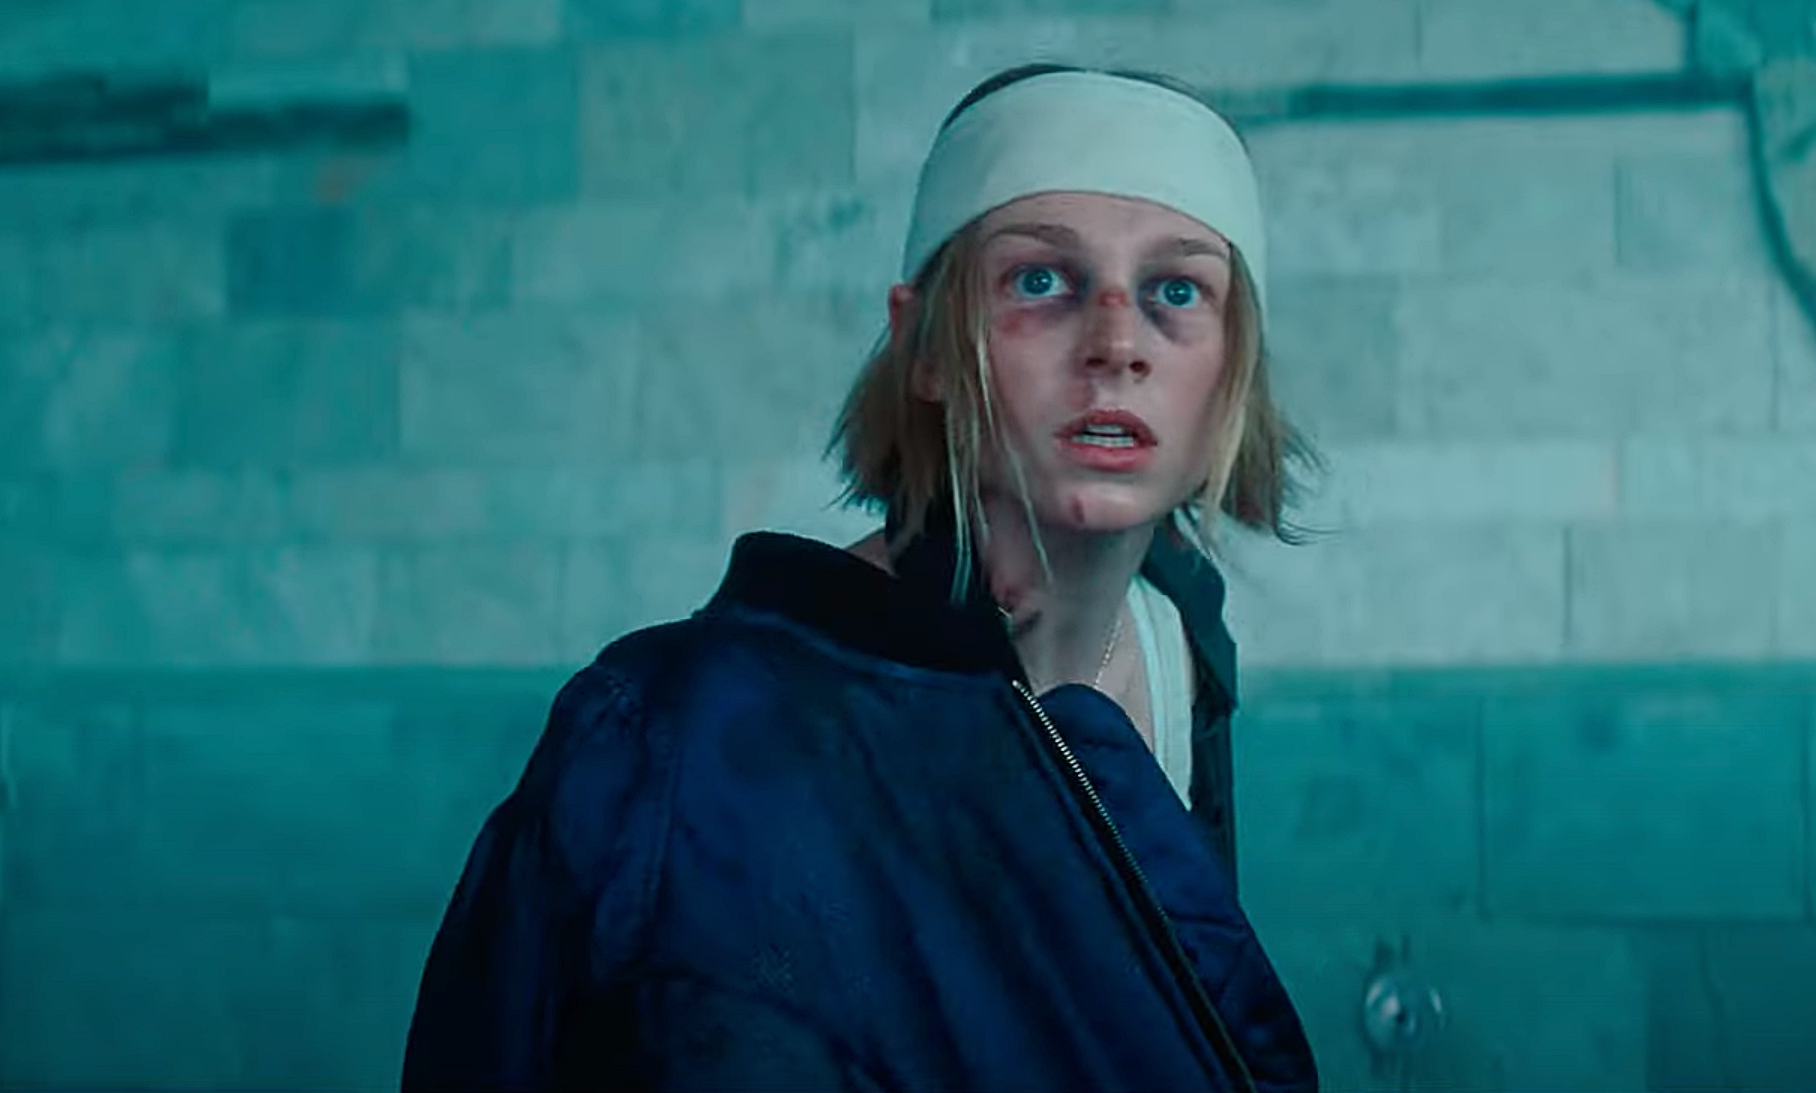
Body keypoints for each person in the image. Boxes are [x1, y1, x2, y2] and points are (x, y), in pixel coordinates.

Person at [401, 62, 1323, 1093]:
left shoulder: (1180, 649)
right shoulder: (663, 737)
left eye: (1175, 291)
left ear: (1233, 368)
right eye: (1040, 281)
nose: (1115, 343)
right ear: (923, 347)